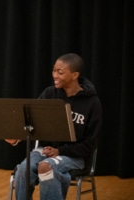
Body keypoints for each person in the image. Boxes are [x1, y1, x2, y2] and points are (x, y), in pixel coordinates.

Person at [5, 53, 102, 200]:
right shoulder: (50, 93)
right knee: (23, 169)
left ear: (75, 75)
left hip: (76, 156)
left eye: (60, 72)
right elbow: (31, 121)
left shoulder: (92, 103)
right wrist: (17, 137)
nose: (54, 75)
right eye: (54, 70)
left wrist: (60, 151)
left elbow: (91, 143)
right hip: (46, 150)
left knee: (46, 167)